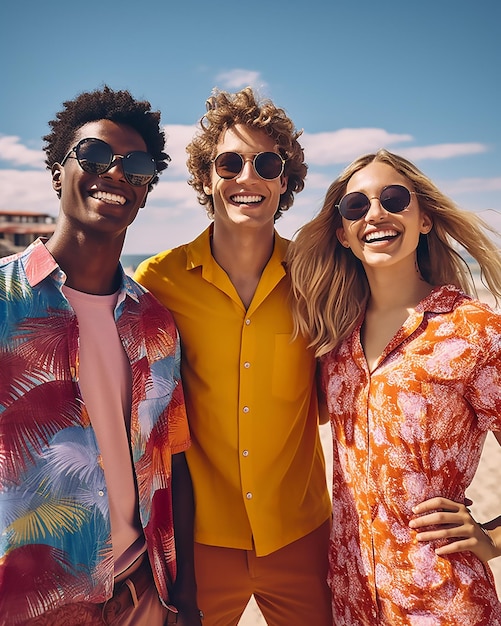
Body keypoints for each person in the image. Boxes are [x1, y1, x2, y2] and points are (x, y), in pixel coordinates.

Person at [0, 86, 202, 625]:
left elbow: (173, 459)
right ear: (57, 171)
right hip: (29, 602)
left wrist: (184, 599)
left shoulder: (154, 319)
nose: (114, 173)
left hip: (142, 592)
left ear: (144, 191)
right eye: (93, 156)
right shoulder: (3, 303)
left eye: (135, 166)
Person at [134, 87, 332, 625]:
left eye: (267, 163)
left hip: (303, 535)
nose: (248, 177)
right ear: (205, 177)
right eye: (230, 162)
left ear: (284, 181)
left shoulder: (320, 278)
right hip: (200, 543)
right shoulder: (158, 281)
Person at [287, 148, 501, 625]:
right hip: (350, 595)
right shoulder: (336, 339)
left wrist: (494, 537)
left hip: (442, 602)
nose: (376, 214)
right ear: (342, 233)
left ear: (424, 218)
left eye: (394, 198)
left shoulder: (476, 331)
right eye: (356, 206)